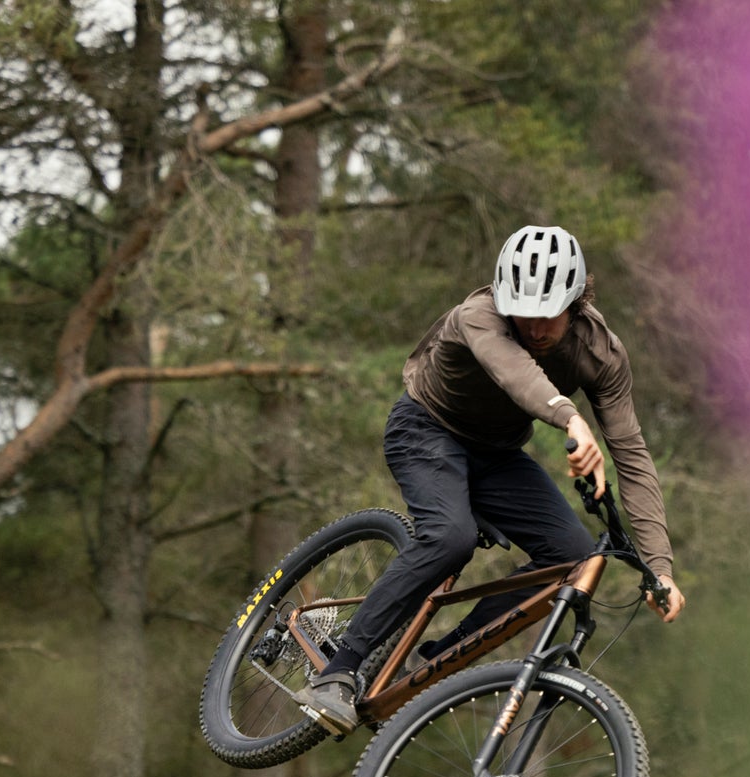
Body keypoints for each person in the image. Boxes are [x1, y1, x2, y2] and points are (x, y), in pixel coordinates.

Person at [293, 224, 685, 734]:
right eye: (524, 312)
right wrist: (570, 418)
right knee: (450, 537)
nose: (536, 327)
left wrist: (660, 566)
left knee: (572, 555)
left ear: (576, 303)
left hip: (495, 455)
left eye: (549, 314)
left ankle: (432, 664)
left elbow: (631, 457)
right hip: (425, 429)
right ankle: (338, 671)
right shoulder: (478, 315)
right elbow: (514, 373)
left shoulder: (601, 353)